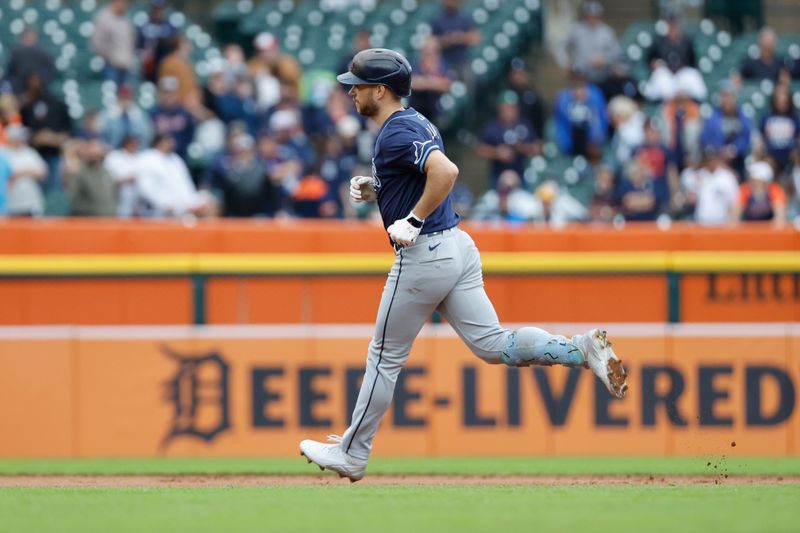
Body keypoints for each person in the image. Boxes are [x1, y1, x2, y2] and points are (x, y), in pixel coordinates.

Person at [298, 48, 628, 482]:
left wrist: (412, 220)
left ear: (380, 90)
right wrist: (378, 187)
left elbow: (447, 172)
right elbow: (419, 174)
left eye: (358, 85)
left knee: (383, 358)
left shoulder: (395, 132)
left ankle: (352, 453)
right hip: (457, 246)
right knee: (495, 346)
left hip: (425, 253)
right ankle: (578, 349)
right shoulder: (413, 122)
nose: (351, 91)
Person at [135, 134, 214, 217]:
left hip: (182, 208)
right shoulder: (147, 159)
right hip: (158, 213)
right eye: (168, 140)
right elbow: (147, 192)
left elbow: (186, 188)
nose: (172, 143)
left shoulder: (176, 159)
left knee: (208, 199)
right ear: (159, 142)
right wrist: (176, 206)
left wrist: (192, 204)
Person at [477, 91, 540, 188]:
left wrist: (521, 147)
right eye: (505, 107)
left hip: (521, 175)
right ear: (499, 108)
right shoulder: (492, 127)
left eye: (512, 107)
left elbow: (537, 148)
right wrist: (497, 152)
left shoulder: (524, 125)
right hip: (498, 176)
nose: (509, 110)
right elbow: (481, 150)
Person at [701, 80, 751, 179]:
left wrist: (734, 149)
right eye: (723, 96)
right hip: (717, 159)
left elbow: (746, 138)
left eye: (729, 96)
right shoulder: (713, 117)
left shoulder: (742, 117)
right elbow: (706, 139)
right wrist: (720, 150)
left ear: (735, 97)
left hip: (737, 159)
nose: (726, 99)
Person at [563, 1, 622, 87]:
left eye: (595, 16)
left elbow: (617, 53)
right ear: (585, 16)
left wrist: (604, 59)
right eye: (589, 16)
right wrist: (565, 62)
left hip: (602, 77)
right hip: (581, 77)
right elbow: (562, 47)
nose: (592, 19)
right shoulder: (576, 30)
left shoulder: (607, 32)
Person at [553, 69, 608, 160]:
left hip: (593, 143)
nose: (578, 81)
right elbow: (560, 123)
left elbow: (601, 119)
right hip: (572, 142)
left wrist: (595, 140)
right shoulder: (563, 97)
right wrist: (567, 145)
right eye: (575, 78)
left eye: (581, 78)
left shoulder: (595, 94)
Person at [0, 124, 46, 216]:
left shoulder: (29, 152)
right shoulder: (2, 152)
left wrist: (20, 173)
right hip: (7, 203)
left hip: (29, 202)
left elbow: (42, 172)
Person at [430, 0, 480, 83]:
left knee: (467, 87)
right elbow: (432, 41)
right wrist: (445, 40)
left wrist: (459, 37)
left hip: (462, 61)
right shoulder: (437, 19)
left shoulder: (465, 17)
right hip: (444, 61)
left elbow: (475, 38)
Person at [68, 138, 116, 216]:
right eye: (91, 148)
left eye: (97, 149)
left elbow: (114, 193)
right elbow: (74, 199)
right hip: (88, 220)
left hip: (109, 218)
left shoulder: (107, 171)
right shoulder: (79, 172)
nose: (94, 152)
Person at [91, 0, 135, 86]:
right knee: (110, 95)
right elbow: (96, 42)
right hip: (110, 66)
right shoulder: (103, 16)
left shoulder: (126, 18)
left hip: (126, 66)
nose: (125, 4)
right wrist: (108, 56)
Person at [5, 27, 57, 97]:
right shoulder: (16, 53)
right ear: (22, 38)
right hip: (18, 92)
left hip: (38, 94)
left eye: (31, 36)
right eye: (27, 36)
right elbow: (10, 75)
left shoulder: (43, 54)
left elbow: (50, 73)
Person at [760, 83, 800, 174]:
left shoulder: (795, 117)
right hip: (770, 158)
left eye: (784, 95)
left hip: (791, 159)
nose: (782, 99)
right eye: (779, 95)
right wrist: (764, 155)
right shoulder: (767, 116)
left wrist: (797, 152)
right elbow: (760, 139)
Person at [732, 160, 787, 225]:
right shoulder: (745, 189)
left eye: (754, 178)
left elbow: (780, 217)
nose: (750, 180)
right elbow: (734, 217)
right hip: (749, 230)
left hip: (769, 231)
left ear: (764, 180)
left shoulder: (774, 189)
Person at [136, 0, 178, 83]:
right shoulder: (145, 26)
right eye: (155, 9)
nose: (157, 12)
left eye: (160, 9)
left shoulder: (169, 27)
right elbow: (139, 46)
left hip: (165, 65)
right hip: (148, 66)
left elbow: (174, 46)